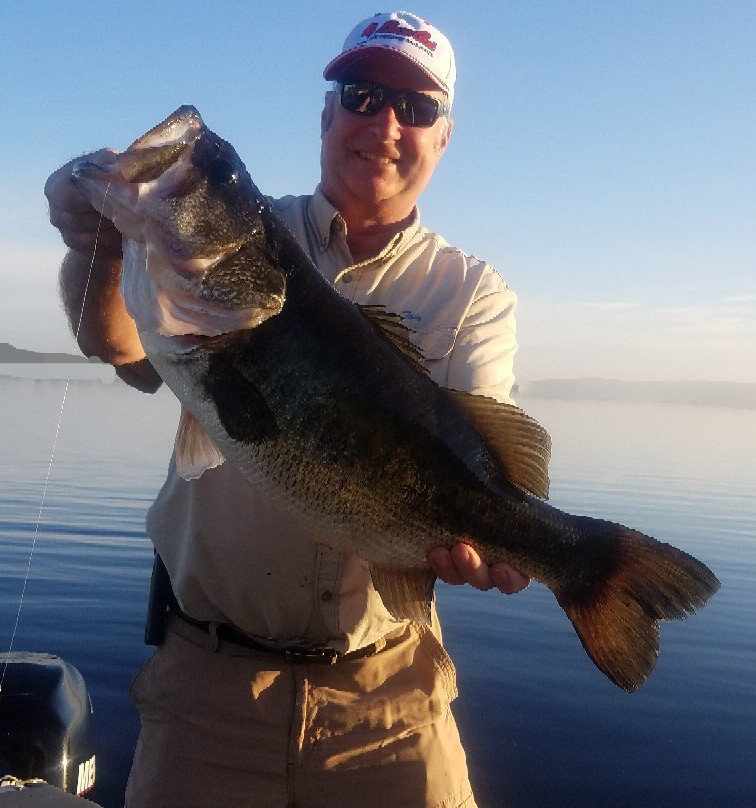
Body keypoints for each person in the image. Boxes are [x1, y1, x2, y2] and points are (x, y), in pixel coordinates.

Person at [45, 11, 529, 808]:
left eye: (416, 107)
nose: (385, 123)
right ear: (327, 113)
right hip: (207, 691)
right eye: (364, 95)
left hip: (390, 701)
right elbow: (112, 341)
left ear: (445, 137)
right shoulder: (230, 251)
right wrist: (93, 228)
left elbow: (483, 459)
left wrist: (502, 535)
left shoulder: (472, 295)